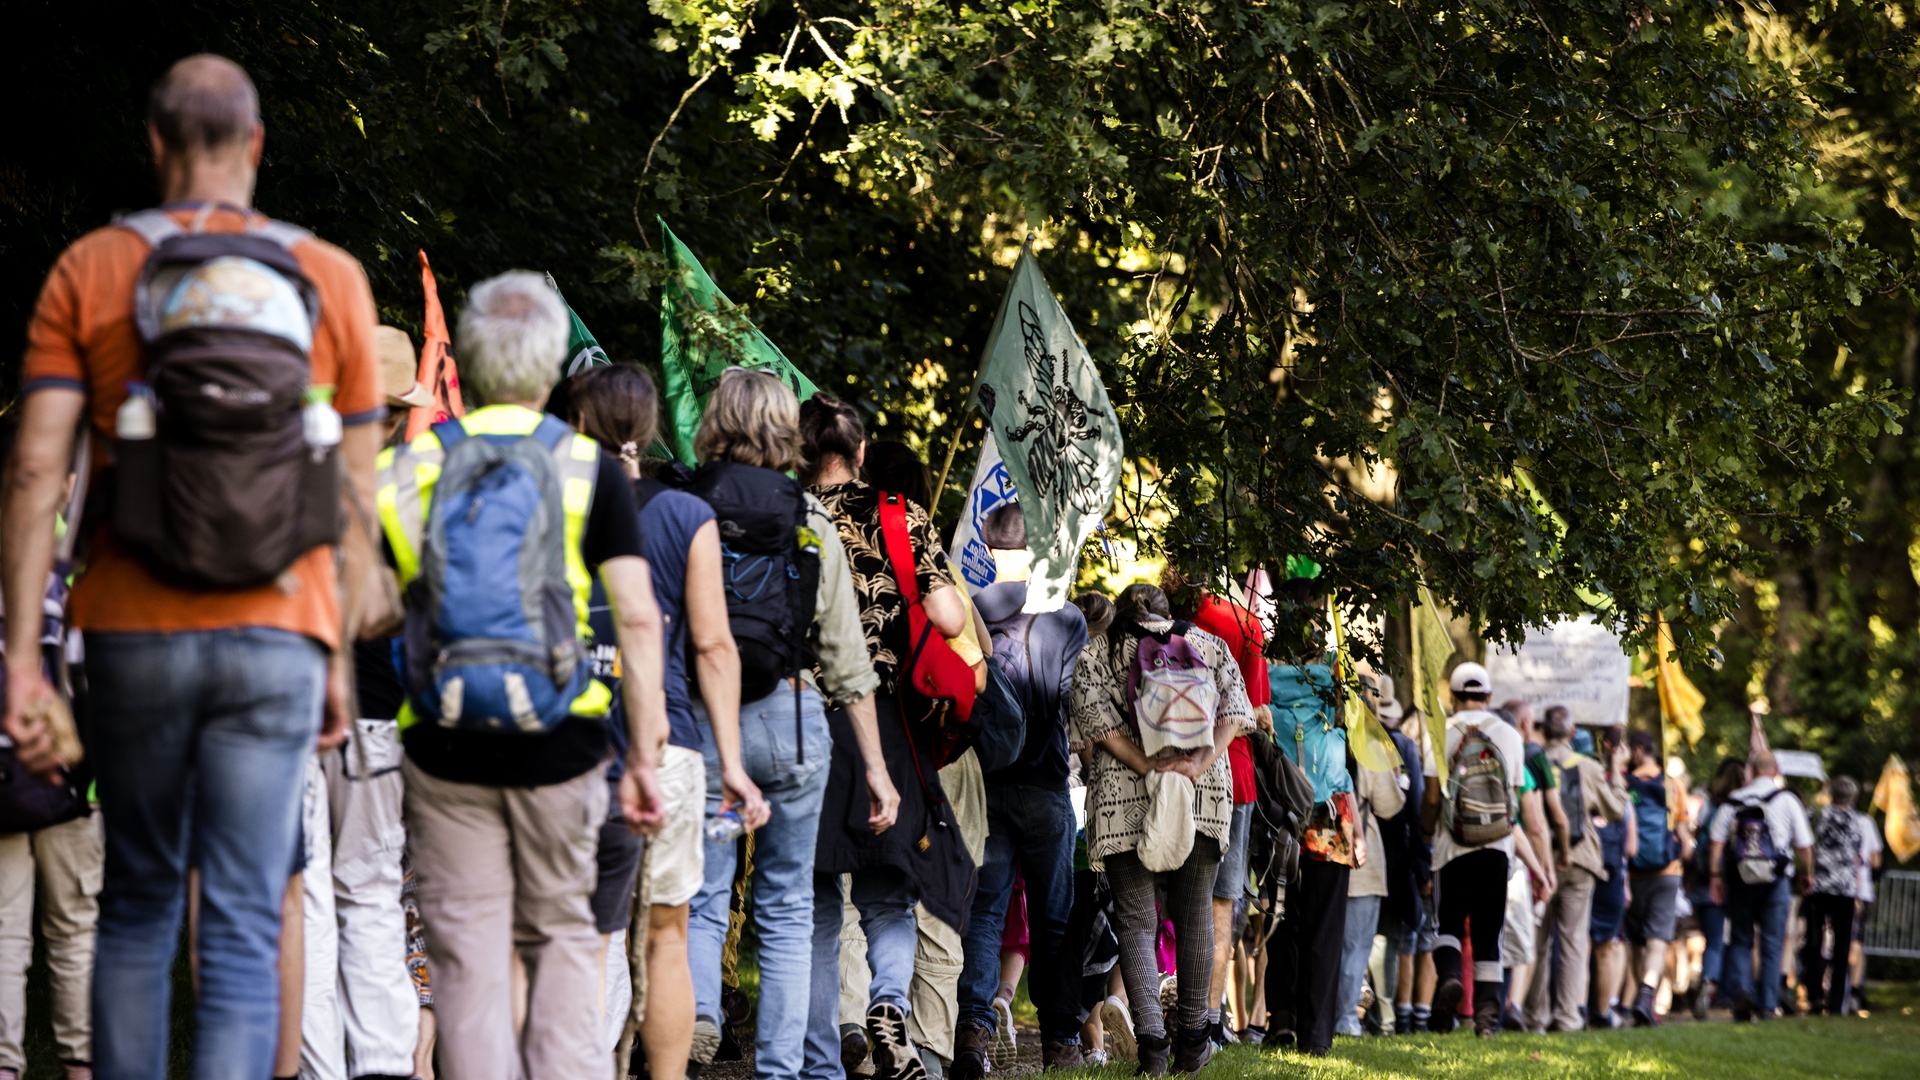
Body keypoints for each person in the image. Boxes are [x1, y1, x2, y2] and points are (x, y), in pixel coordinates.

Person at [4, 55, 385, 1079]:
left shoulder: (91, 269)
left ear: (154, 142)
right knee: (244, 918)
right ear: (257, 145)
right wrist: (337, 657)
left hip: (130, 631)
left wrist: (21, 665)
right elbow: (351, 499)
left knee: (135, 902)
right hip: (280, 634)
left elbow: (38, 467)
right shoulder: (331, 278)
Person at [376, 272, 670, 1080]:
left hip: (443, 746)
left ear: (465, 364)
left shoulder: (408, 469)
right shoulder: (591, 470)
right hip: (563, 743)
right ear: (550, 374)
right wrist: (643, 756)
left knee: (468, 964)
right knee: (563, 949)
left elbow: (364, 608)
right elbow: (639, 618)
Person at [566, 364, 774, 1078]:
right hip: (673, 745)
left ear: (581, 425)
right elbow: (715, 646)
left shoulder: (552, 501)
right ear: (651, 429)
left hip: (570, 740)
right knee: (666, 933)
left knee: (580, 933)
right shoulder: (688, 516)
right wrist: (733, 764)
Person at [800, 392, 967, 1080]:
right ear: (860, 451)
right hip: (886, 723)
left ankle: (814, 1062)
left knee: (809, 907)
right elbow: (951, 618)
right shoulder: (901, 515)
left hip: (802, 715)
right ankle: (889, 1003)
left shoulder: (786, 515)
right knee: (889, 894)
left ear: (800, 453)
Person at [311, 324, 434, 1080]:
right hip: (380, 720)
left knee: (311, 901)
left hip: (294, 714)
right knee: (371, 895)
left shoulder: (295, 476)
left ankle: (320, 1068)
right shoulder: (402, 491)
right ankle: (385, 1066)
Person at [1071, 584, 1254, 1074]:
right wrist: (1197, 763)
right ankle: (1193, 1042)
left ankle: (1152, 1045)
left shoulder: (1099, 649)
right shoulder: (1208, 645)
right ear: (1167, 612)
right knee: (1195, 914)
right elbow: (1238, 712)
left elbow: (1096, 724)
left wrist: (1147, 767)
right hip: (1202, 795)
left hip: (1124, 797)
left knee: (1135, 918)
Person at [950, 502, 1089, 1077]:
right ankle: (1060, 1041)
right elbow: (1068, 699)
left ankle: (974, 1036)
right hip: (1048, 783)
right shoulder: (1067, 617)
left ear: (986, 551)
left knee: (985, 911)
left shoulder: (969, 608)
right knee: (1055, 917)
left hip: (988, 781)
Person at [1181, 575, 1270, 1050]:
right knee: (1219, 907)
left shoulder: (1153, 616)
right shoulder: (1244, 623)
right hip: (1231, 775)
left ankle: (1150, 1014)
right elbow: (1255, 712)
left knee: (1152, 904)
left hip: (1159, 770)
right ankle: (1207, 1022)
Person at [1414, 662, 1525, 1037]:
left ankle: (1448, 978)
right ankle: (1486, 1019)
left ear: (1453, 696)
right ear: (1489, 697)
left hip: (1451, 846)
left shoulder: (1439, 734)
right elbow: (1513, 798)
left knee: (1446, 924)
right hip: (1497, 847)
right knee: (1488, 932)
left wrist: (1428, 833)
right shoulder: (1510, 735)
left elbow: (1431, 797)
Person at [1709, 750, 1815, 1021]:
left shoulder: (1733, 801)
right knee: (1772, 942)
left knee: (1741, 939)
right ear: (1776, 770)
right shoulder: (1788, 801)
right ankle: (1767, 1005)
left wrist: (1715, 876)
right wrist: (1807, 874)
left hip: (1740, 878)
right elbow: (1804, 844)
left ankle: (1742, 991)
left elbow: (1716, 841)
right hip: (1775, 880)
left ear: (1751, 771)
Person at [1333, 674, 1406, 1039]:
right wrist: (1397, 779)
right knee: (1356, 943)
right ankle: (1345, 1017)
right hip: (1362, 854)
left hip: (1320, 843)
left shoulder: (1327, 731)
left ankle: (1321, 1012)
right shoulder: (1369, 743)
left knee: (1327, 938)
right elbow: (1389, 804)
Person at [1368, 677, 1431, 1035]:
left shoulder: (1353, 738)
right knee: (1387, 940)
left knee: (1361, 937)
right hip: (1396, 855)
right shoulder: (1403, 747)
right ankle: (1384, 1016)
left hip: (1356, 848)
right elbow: (1417, 808)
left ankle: (1363, 1012)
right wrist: (1422, 866)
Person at [1623, 730, 1693, 1026]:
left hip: (1631, 873)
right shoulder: (1672, 785)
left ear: (1638, 751)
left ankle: (1643, 1001)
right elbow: (1686, 840)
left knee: (1636, 943)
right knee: (1657, 940)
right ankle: (1646, 996)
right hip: (1667, 874)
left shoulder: (1624, 783)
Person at [1800, 775, 1870, 1016]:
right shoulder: (1857, 821)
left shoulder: (1822, 815)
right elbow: (1858, 856)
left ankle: (1815, 994)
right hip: (1845, 888)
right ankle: (1837, 1001)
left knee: (1815, 942)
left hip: (1821, 885)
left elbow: (1810, 841)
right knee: (1841, 948)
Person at [1687, 757, 1747, 1018]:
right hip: (1736, 879)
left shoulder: (1708, 805)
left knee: (1712, 940)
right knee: (1740, 939)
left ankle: (1708, 979)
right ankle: (1733, 991)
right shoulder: (1743, 806)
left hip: (1704, 881)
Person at [1585, 725, 1633, 1029]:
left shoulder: (1579, 777)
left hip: (1584, 865)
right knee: (1604, 947)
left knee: (1579, 945)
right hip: (1611, 873)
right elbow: (1631, 844)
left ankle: (1576, 1009)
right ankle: (1601, 1012)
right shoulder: (1617, 789)